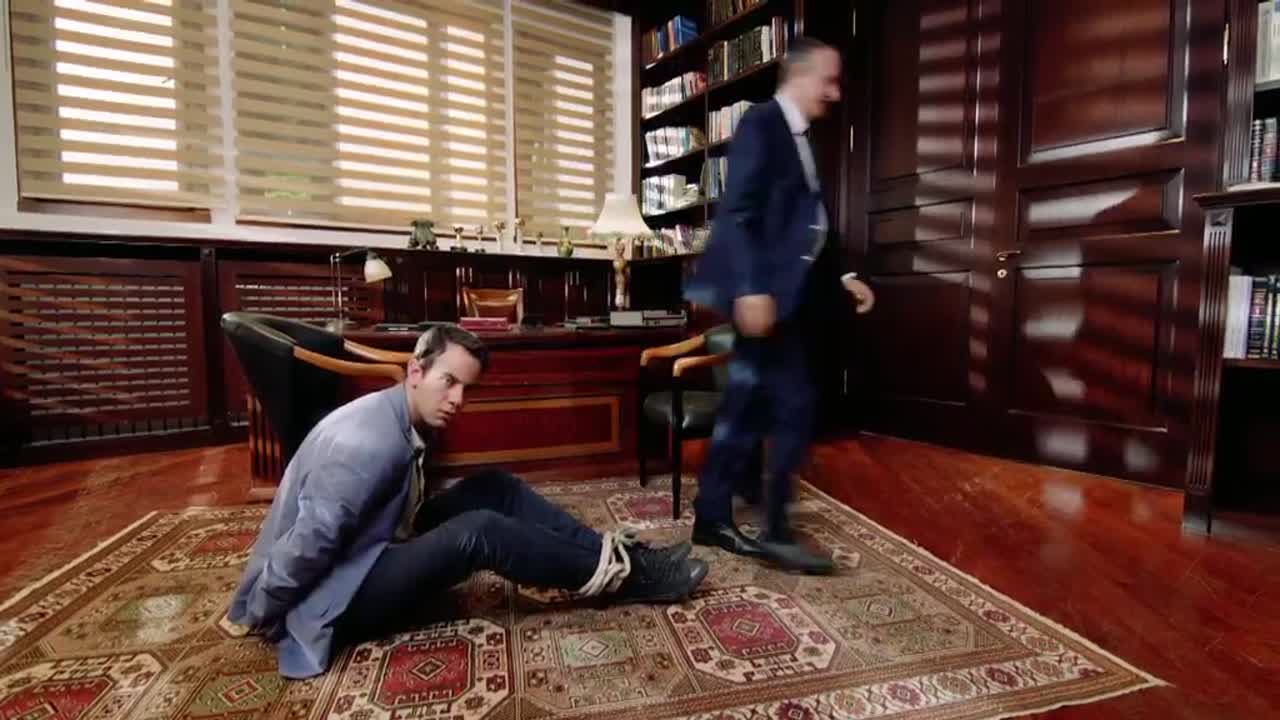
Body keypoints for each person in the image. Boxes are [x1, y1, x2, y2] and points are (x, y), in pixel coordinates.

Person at [228, 324, 708, 679]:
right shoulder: (369, 444)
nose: (458, 399)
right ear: (416, 371)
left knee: (495, 487)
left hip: (375, 542)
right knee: (480, 531)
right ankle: (631, 580)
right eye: (449, 382)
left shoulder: (396, 411)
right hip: (335, 595)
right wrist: (259, 609)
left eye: (466, 388)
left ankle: (616, 556)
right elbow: (310, 541)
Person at [684, 37, 875, 573]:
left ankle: (713, 514)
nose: (834, 93)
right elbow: (738, 211)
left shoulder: (803, 138)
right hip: (765, 300)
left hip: (792, 302)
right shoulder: (762, 124)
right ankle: (775, 530)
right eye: (828, 81)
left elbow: (811, 223)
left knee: (747, 410)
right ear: (800, 75)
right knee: (793, 406)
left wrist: (845, 275)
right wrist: (749, 288)